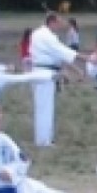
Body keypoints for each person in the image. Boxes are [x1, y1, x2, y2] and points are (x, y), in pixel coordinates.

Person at [28, 12, 81, 146]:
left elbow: (59, 56)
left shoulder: (45, 35)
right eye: (59, 22)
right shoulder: (44, 35)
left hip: (48, 72)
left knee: (47, 107)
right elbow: (61, 51)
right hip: (43, 72)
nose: (60, 25)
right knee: (44, 107)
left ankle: (46, 137)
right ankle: (43, 140)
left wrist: (76, 70)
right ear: (52, 22)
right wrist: (86, 57)